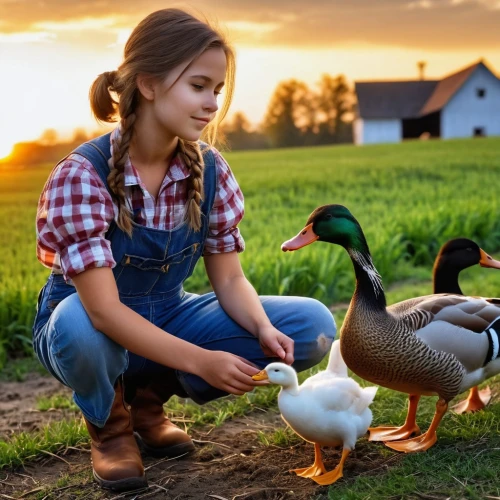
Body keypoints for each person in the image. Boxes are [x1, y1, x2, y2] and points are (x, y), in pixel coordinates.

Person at [33, 8, 336, 492]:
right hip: (92, 323)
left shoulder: (210, 170)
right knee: (77, 324)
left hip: (169, 313)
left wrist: (262, 328)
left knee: (310, 326)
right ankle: (111, 428)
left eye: (217, 89)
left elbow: (231, 280)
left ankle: (148, 399)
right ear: (149, 84)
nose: (212, 103)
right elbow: (106, 313)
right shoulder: (82, 175)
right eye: (198, 86)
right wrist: (201, 360)